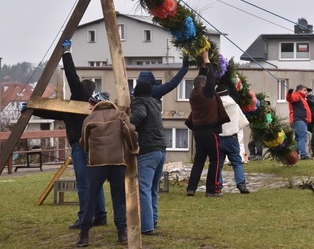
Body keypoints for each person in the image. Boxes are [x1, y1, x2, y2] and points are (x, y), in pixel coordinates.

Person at [32, 39, 107, 229]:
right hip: (94, 147)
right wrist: (32, 109)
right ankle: (100, 216)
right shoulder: (78, 108)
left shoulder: (80, 100)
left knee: (83, 183)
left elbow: (72, 77)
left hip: (81, 146)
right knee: (95, 181)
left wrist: (67, 53)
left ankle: (85, 219)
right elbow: (52, 112)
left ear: (83, 91)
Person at [130, 56, 189, 235]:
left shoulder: (139, 100)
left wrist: (126, 124)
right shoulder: (156, 100)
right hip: (161, 149)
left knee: (144, 189)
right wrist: (184, 68)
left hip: (148, 150)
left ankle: (147, 226)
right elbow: (172, 84)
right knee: (153, 190)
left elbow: (138, 116)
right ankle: (153, 219)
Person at [75, 92, 139, 247]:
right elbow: (130, 132)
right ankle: (121, 233)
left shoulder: (89, 119)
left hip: (96, 164)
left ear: (96, 104)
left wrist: (91, 150)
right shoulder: (120, 115)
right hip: (117, 162)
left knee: (91, 199)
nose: (89, 106)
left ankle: (84, 235)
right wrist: (133, 148)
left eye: (91, 103)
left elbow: (83, 142)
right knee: (118, 198)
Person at [185, 50, 230, 197]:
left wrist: (203, 64)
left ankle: (191, 188)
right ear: (203, 84)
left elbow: (204, 76)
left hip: (198, 132)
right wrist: (206, 58)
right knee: (215, 160)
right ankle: (212, 189)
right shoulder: (207, 92)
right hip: (211, 131)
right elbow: (211, 76)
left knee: (199, 159)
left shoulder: (193, 94)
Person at [216, 85, 250, 194]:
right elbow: (243, 122)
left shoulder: (215, 105)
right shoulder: (234, 105)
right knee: (236, 162)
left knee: (218, 164)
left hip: (219, 138)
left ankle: (218, 185)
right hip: (232, 138)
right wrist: (234, 128)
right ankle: (241, 184)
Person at [286, 84, 312, 159]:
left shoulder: (302, 98)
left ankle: (293, 154)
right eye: (304, 90)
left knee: (298, 138)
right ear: (299, 90)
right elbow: (289, 98)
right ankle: (303, 154)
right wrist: (289, 92)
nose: (306, 92)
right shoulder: (297, 96)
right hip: (298, 120)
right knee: (303, 136)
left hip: (301, 120)